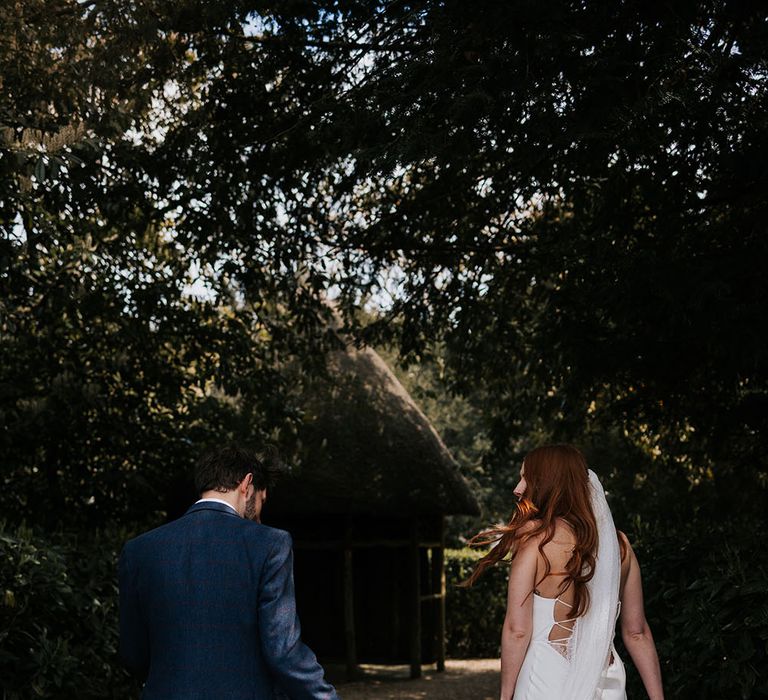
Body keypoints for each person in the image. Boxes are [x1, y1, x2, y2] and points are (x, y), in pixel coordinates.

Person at [118, 444, 339, 700]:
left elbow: (132, 654)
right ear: (247, 484)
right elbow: (284, 651)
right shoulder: (270, 544)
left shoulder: (138, 550)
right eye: (261, 501)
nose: (258, 515)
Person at [463, 444, 664, 700]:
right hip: (607, 684)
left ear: (549, 482)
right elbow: (637, 633)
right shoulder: (621, 546)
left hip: (547, 679)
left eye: (527, 478)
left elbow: (518, 629)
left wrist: (505, 695)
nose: (518, 488)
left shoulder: (535, 541)